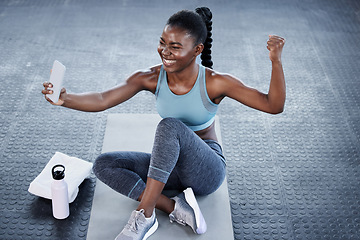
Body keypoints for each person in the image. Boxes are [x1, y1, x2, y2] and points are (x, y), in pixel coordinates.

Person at [42, 6, 285, 240]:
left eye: (175, 47)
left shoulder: (216, 82)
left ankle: (144, 215)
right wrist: (66, 99)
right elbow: (104, 98)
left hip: (206, 171)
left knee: (169, 126)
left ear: (197, 49)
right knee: (105, 164)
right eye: (163, 43)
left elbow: (273, 106)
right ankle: (173, 208)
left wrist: (276, 61)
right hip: (169, 169)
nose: (165, 52)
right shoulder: (149, 77)